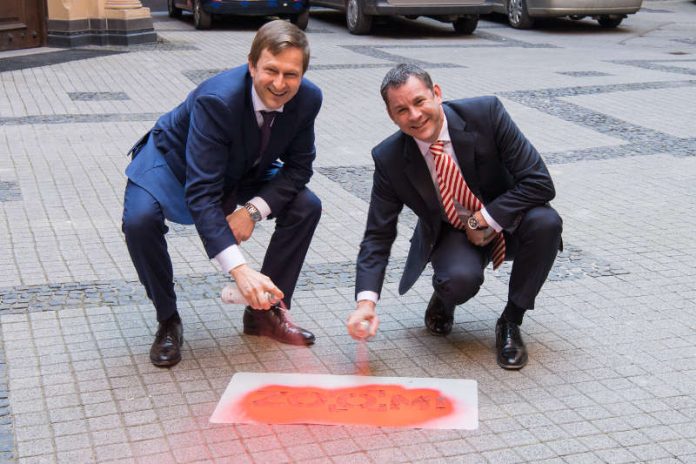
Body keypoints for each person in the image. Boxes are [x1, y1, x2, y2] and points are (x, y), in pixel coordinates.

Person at [122, 20, 322, 368]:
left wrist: (252, 210)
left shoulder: (308, 99)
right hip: (173, 163)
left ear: (303, 73)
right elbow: (202, 193)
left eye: (291, 74)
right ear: (251, 65)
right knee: (139, 221)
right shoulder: (218, 100)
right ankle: (168, 320)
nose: (279, 84)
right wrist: (239, 271)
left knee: (307, 205)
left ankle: (264, 313)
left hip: (244, 167)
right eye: (270, 70)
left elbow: (298, 168)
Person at [347, 64, 562, 370]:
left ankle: (511, 321)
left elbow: (539, 182)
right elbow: (377, 235)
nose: (415, 115)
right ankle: (444, 297)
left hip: (508, 217)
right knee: (458, 281)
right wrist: (365, 303)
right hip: (451, 231)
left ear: (436, 93)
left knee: (547, 223)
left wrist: (484, 219)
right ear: (391, 116)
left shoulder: (486, 113)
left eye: (419, 101)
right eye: (402, 110)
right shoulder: (389, 157)